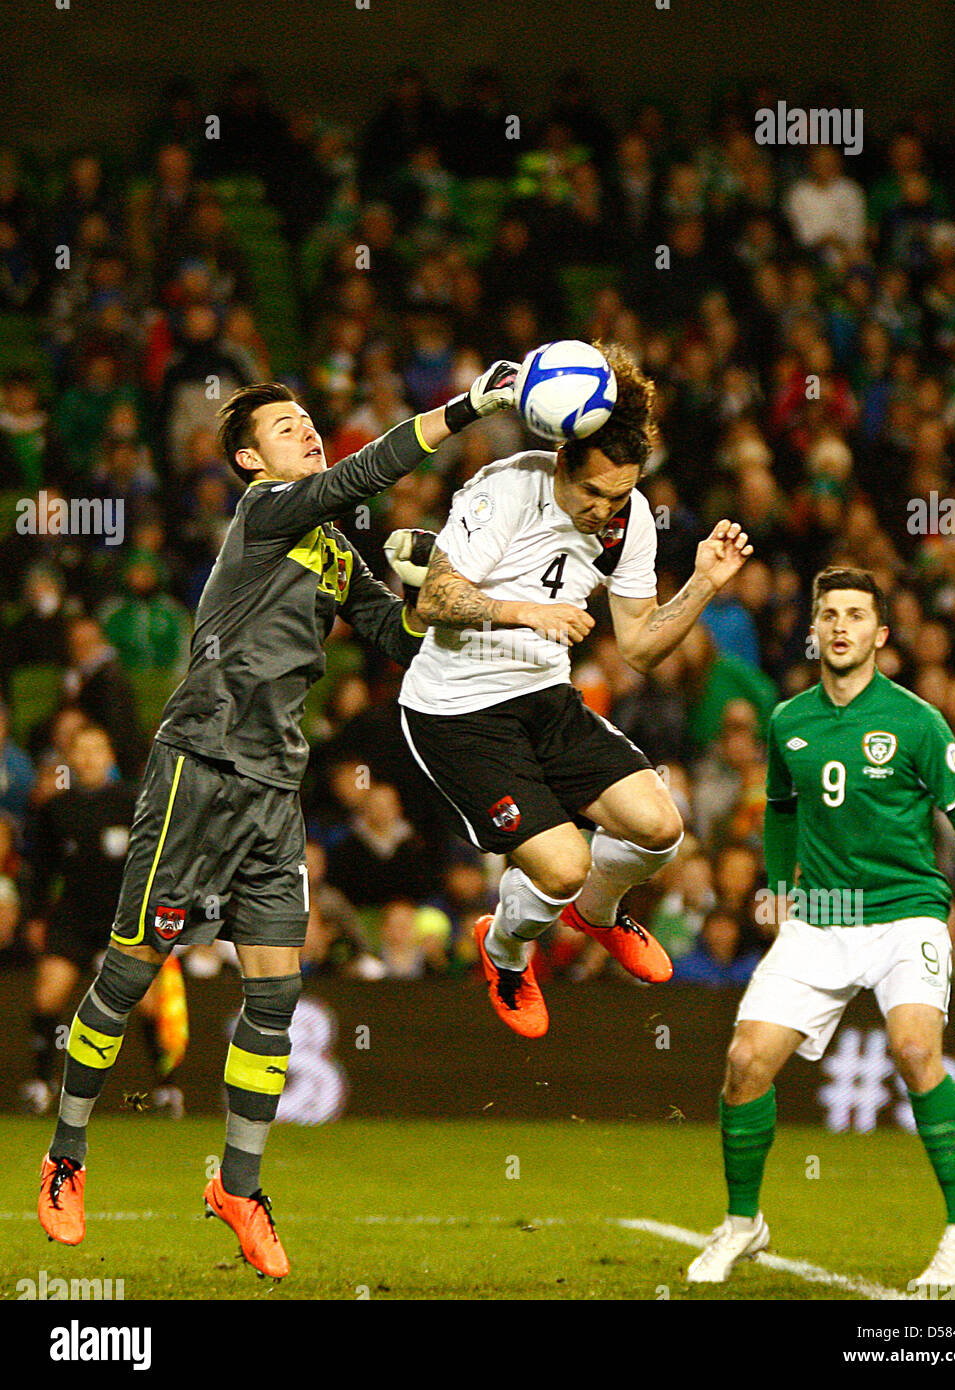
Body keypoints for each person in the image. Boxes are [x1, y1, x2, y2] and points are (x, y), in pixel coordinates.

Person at [36, 361, 520, 1278]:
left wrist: (461, 600)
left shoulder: (334, 549)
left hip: (272, 787)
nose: (307, 429)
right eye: (286, 425)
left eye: (308, 418)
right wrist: (468, 408)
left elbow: (396, 638)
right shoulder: (268, 514)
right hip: (199, 766)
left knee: (275, 995)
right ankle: (65, 1159)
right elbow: (358, 475)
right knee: (132, 970)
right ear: (251, 460)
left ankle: (240, 1187)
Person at [392, 343, 752, 1036]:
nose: (603, 510)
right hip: (457, 711)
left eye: (618, 496)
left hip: (543, 700)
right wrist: (525, 612)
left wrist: (705, 582)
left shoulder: (630, 519)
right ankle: (504, 950)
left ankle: (599, 910)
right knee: (559, 866)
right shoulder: (504, 489)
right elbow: (435, 599)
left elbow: (642, 646)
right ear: (562, 461)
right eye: (593, 494)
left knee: (660, 829)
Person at [688, 568, 955, 1290]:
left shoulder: (916, 721)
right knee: (746, 1063)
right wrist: (781, 897)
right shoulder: (788, 722)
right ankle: (744, 1223)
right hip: (822, 919)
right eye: (829, 615)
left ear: (880, 634)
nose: (840, 626)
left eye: (855, 615)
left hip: (907, 911)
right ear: (813, 632)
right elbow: (780, 810)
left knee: (911, 1048)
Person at [21, 724, 186, 1117]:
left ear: (110, 757)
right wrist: (33, 916)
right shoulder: (55, 809)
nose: (90, 758)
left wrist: (164, 916)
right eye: (82, 750)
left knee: (148, 1003)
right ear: (71, 758)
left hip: (126, 919)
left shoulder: (136, 802)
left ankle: (166, 1089)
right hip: (73, 919)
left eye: (98, 750)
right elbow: (41, 870)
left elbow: (161, 865)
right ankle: (42, 1083)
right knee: (48, 994)